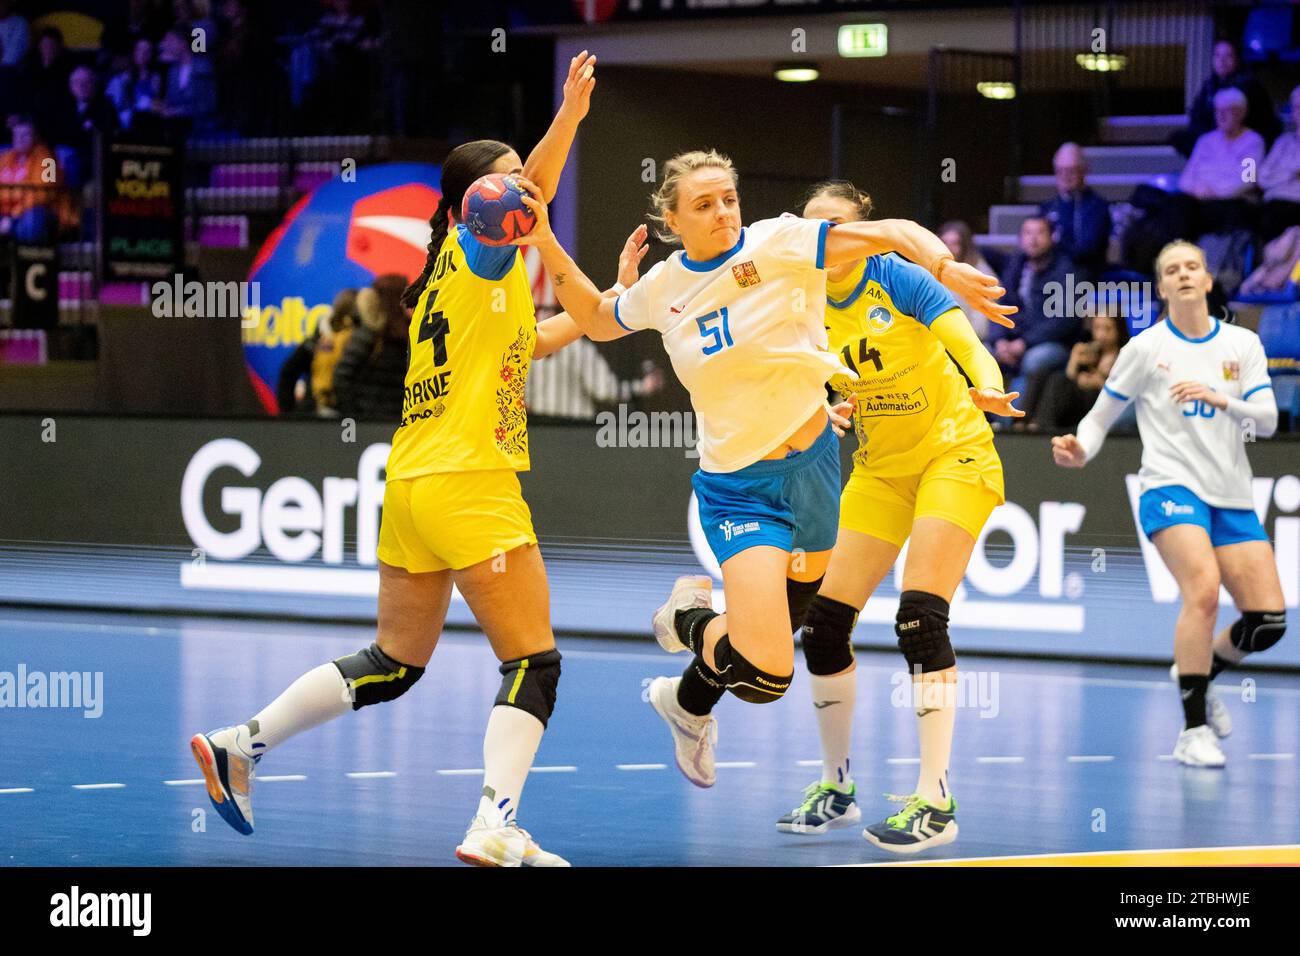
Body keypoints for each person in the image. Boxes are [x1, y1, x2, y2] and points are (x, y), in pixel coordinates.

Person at [190, 52, 629, 867]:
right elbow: (518, 194)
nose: (525, 197)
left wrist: (621, 304)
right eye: (508, 186)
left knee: (395, 662)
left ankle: (240, 743)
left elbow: (550, 336)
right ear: (476, 201)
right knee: (533, 660)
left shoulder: (450, 280)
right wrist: (566, 121)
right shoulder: (477, 246)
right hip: (471, 480)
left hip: (414, 484)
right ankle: (494, 820)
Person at [517, 149, 1013, 792]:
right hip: (738, 487)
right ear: (672, 218)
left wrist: (945, 266)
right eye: (703, 204)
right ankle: (688, 618)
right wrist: (547, 238)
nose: (723, 212)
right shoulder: (664, 287)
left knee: (803, 612)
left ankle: (685, 689)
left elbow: (892, 232)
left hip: (813, 469)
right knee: (767, 676)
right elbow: (590, 318)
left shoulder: (779, 242)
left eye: (728, 197)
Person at [769, 181, 1020, 852]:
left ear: (866, 231)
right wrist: (825, 406)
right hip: (880, 470)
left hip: (954, 454)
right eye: (815, 224)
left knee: (919, 617)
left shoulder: (895, 278)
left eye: (838, 224)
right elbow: (805, 380)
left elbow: (965, 340)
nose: (826, 237)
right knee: (823, 627)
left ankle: (935, 800)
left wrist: (988, 384)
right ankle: (836, 786)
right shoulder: (798, 297)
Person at [1052, 240, 1286, 767]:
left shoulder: (1243, 344)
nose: (1183, 275)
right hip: (1168, 486)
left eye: (1192, 267)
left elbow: (1268, 420)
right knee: (1201, 591)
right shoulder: (1145, 348)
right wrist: (1080, 449)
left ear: (1206, 281)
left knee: (1268, 621)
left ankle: (1194, 671)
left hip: (1230, 492)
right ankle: (1193, 729)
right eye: (1172, 270)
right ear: (1161, 288)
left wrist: (1219, 398)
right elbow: (1100, 416)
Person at [988, 216, 1079, 398]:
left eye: (1040, 232)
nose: (1033, 238)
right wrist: (1000, 340)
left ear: (1052, 237)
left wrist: (1024, 343)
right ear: (1021, 239)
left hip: (1053, 343)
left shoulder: (1065, 270)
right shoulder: (1016, 266)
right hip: (1014, 340)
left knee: (1033, 360)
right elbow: (998, 306)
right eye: (1028, 233)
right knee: (981, 353)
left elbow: (1064, 320)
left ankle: (1012, 423)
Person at [1018, 308, 1128, 432]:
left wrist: (1099, 382)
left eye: (1108, 329)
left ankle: (1040, 426)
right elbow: (1069, 379)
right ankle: (1021, 421)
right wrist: (1074, 361)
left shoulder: (1124, 357)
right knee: (1039, 375)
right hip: (1074, 404)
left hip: (1097, 406)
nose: (1101, 334)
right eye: (1097, 328)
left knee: (1058, 380)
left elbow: (1125, 397)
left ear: (1119, 330)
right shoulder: (1089, 352)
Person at [1174, 87, 1265, 235]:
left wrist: (1215, 193)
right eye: (1217, 111)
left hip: (1231, 201)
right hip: (1199, 198)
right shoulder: (1206, 141)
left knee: (1222, 212)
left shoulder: (1253, 142)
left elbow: (1248, 180)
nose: (1221, 116)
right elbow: (1187, 177)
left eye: (1227, 111)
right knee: (1177, 204)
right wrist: (1197, 191)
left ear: (1241, 113)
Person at [1173, 39, 1280, 156]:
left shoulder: (1250, 86)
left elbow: (1263, 124)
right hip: (1213, 138)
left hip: (1240, 139)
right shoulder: (1209, 86)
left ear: (1237, 59)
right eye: (1218, 56)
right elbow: (1197, 119)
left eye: (1228, 56)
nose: (1222, 61)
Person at [331, 273, 411, 422]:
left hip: (383, 418)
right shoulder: (371, 334)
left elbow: (342, 377)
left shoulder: (373, 332)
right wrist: (356, 414)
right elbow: (342, 377)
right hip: (375, 418)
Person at [1039, 142, 1111, 281]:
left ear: (1084, 171)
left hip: (1082, 272)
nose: (1065, 176)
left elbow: (1087, 251)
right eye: (1060, 171)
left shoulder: (1097, 207)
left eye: (1071, 171)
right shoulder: (1047, 207)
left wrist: (1056, 243)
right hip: (1046, 268)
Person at [939, 219, 998, 341]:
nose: (948, 248)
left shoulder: (980, 273)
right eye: (944, 242)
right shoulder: (930, 268)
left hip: (970, 342)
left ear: (965, 246)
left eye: (955, 243)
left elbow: (981, 327)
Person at [1258, 85, 1300, 242]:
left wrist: (1279, 176)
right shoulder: (1283, 142)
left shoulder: (1252, 141)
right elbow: (1262, 178)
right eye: (1297, 107)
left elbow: (1255, 179)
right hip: (1275, 202)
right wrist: (1291, 174)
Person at [106, 38, 165, 130]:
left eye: (147, 51)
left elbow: (157, 102)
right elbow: (117, 105)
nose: (143, 54)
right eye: (139, 50)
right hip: (126, 123)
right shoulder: (120, 78)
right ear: (133, 52)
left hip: (149, 122)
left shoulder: (155, 77)